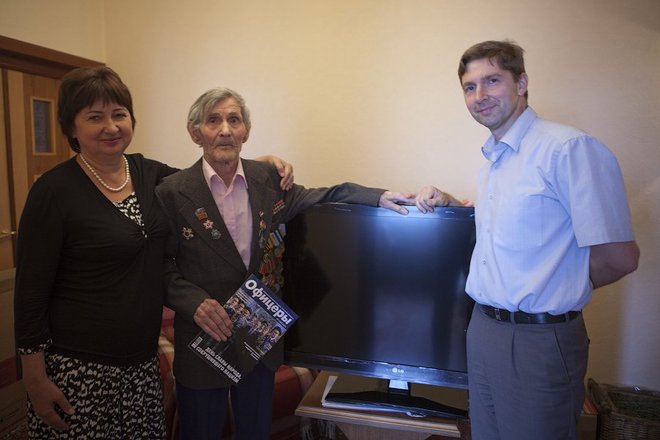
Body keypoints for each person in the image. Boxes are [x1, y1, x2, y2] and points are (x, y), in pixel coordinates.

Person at [13, 66, 293, 439]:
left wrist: (263, 165)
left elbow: (212, 178)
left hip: (140, 363)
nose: (111, 127)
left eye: (119, 114)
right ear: (71, 127)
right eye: (94, 117)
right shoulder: (54, 190)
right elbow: (30, 293)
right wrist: (34, 378)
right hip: (80, 364)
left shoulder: (149, 175)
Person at [155, 87, 413, 439]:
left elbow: (324, 195)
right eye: (213, 121)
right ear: (195, 132)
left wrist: (379, 196)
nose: (225, 130)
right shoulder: (171, 192)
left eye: (234, 120)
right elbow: (160, 266)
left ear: (246, 131)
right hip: (203, 340)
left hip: (258, 340)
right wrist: (194, 303)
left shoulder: (269, 181)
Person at [415, 40, 640, 440]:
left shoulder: (567, 149)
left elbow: (620, 257)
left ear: (521, 83)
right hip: (483, 329)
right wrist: (450, 203)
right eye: (470, 87)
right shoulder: (493, 162)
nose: (480, 96)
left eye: (492, 81)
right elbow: (515, 233)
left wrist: (559, 283)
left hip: (538, 338)